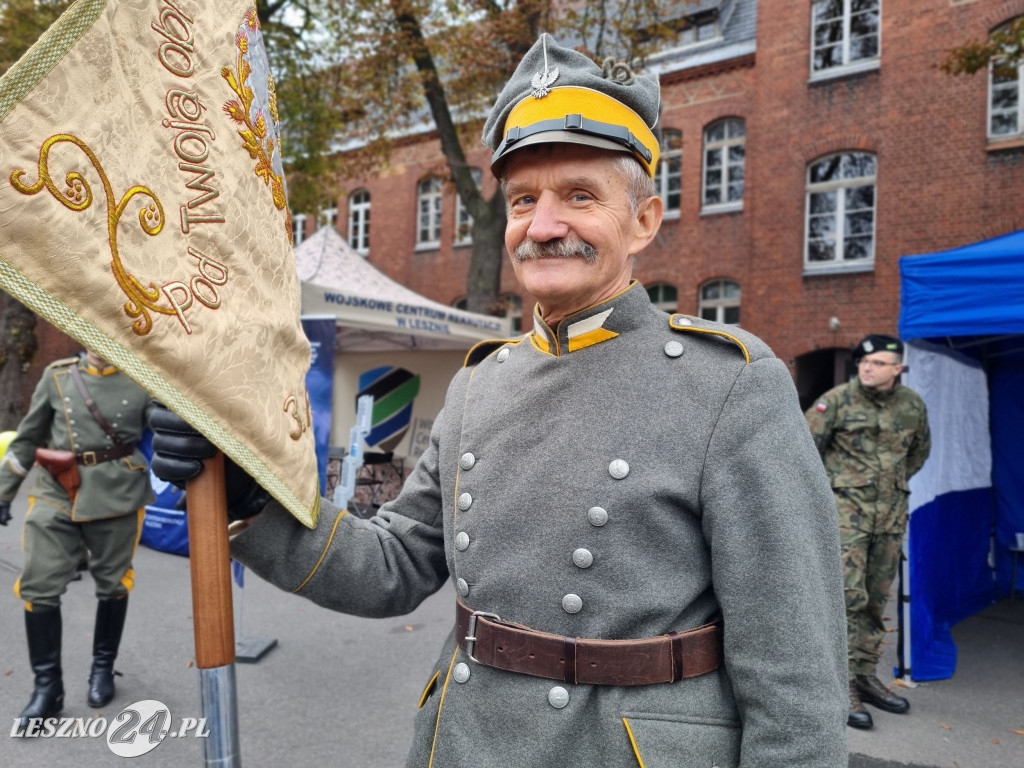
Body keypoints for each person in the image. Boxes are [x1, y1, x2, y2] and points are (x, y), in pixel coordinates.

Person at [150, 35, 848, 766]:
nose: (544, 226)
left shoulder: (731, 385)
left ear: (644, 220)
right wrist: (250, 499)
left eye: (580, 196)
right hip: (467, 742)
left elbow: (796, 682)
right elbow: (393, 564)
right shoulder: (482, 382)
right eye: (524, 200)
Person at [0, 350, 155, 728]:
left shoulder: (145, 379)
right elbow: (27, 438)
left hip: (117, 492)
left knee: (114, 582)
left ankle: (103, 669)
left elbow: (169, 429)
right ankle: (47, 689)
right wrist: (4, 492)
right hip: (56, 490)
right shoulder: (58, 376)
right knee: (38, 584)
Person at [805, 334, 931, 730]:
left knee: (876, 602)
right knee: (846, 599)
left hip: (889, 518)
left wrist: (887, 488)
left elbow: (918, 453)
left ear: (897, 369)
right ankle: (840, 686)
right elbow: (804, 450)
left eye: (877, 362)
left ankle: (864, 675)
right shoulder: (837, 400)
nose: (867, 367)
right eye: (864, 361)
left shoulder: (911, 406)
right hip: (846, 518)